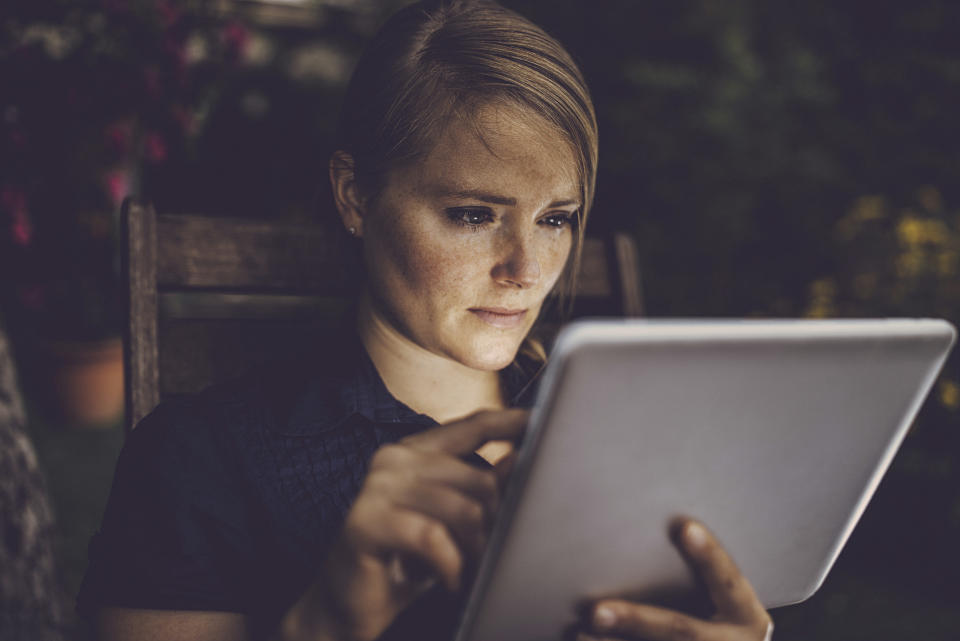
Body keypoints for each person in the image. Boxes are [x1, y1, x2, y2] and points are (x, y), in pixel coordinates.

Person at [79, 1, 774, 640]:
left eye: (556, 219)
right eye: (474, 215)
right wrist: (323, 622)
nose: (526, 268)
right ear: (354, 195)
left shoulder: (631, 429)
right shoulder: (201, 461)